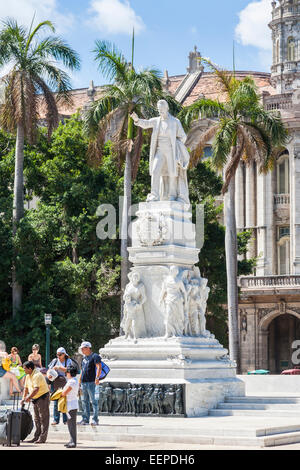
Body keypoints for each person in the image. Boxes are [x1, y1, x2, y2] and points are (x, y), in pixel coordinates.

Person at [131, 99, 190, 204]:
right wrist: (136, 120)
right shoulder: (156, 121)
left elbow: (183, 137)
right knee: (155, 170)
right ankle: (154, 195)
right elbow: (146, 123)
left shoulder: (175, 122)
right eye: (159, 109)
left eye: (162, 109)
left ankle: (172, 195)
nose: (160, 111)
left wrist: (177, 145)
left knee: (172, 173)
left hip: (171, 151)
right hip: (159, 150)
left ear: (167, 108)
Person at [21, 360, 50, 444]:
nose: (24, 370)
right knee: (37, 419)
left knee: (43, 418)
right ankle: (36, 437)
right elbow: (26, 388)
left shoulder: (37, 375)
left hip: (42, 397)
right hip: (35, 398)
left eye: (25, 369)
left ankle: (42, 438)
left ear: (30, 368)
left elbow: (36, 389)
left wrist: (28, 397)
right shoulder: (27, 376)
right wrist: (23, 398)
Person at [78, 341, 102, 426]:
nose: (82, 350)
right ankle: (85, 419)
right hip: (84, 382)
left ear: (88, 348)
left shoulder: (95, 356)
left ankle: (95, 419)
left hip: (92, 382)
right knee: (84, 401)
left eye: (83, 348)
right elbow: (82, 370)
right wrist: (79, 381)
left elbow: (99, 367)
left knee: (94, 401)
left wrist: (97, 378)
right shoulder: (84, 358)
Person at [48, 347, 72, 425]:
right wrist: (49, 375)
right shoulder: (55, 360)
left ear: (64, 354)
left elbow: (68, 370)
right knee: (56, 401)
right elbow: (49, 369)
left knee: (64, 401)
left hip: (66, 383)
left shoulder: (68, 361)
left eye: (60, 354)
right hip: (56, 382)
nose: (58, 356)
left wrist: (58, 367)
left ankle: (66, 420)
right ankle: (56, 419)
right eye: (57, 354)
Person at [61, 365, 79, 448]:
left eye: (66, 372)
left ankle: (73, 442)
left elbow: (64, 393)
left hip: (71, 404)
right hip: (70, 404)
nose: (66, 374)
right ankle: (71, 440)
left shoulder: (72, 382)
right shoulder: (73, 380)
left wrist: (61, 393)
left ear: (69, 373)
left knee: (72, 425)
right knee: (70, 424)